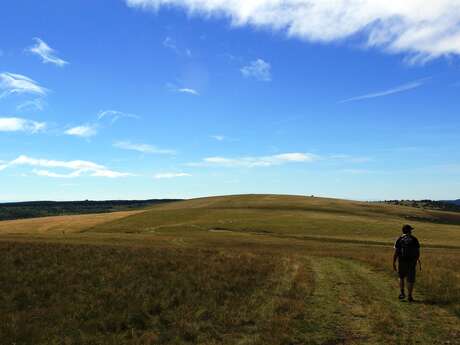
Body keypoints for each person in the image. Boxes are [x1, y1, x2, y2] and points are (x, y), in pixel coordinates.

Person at [393, 224, 420, 302]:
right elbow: (418, 252)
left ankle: (402, 293)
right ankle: (410, 296)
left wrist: (394, 262)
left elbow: (396, 252)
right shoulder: (414, 239)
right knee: (410, 280)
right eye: (411, 230)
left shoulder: (399, 239)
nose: (411, 231)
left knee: (401, 277)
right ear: (409, 231)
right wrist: (415, 261)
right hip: (411, 262)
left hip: (402, 261)